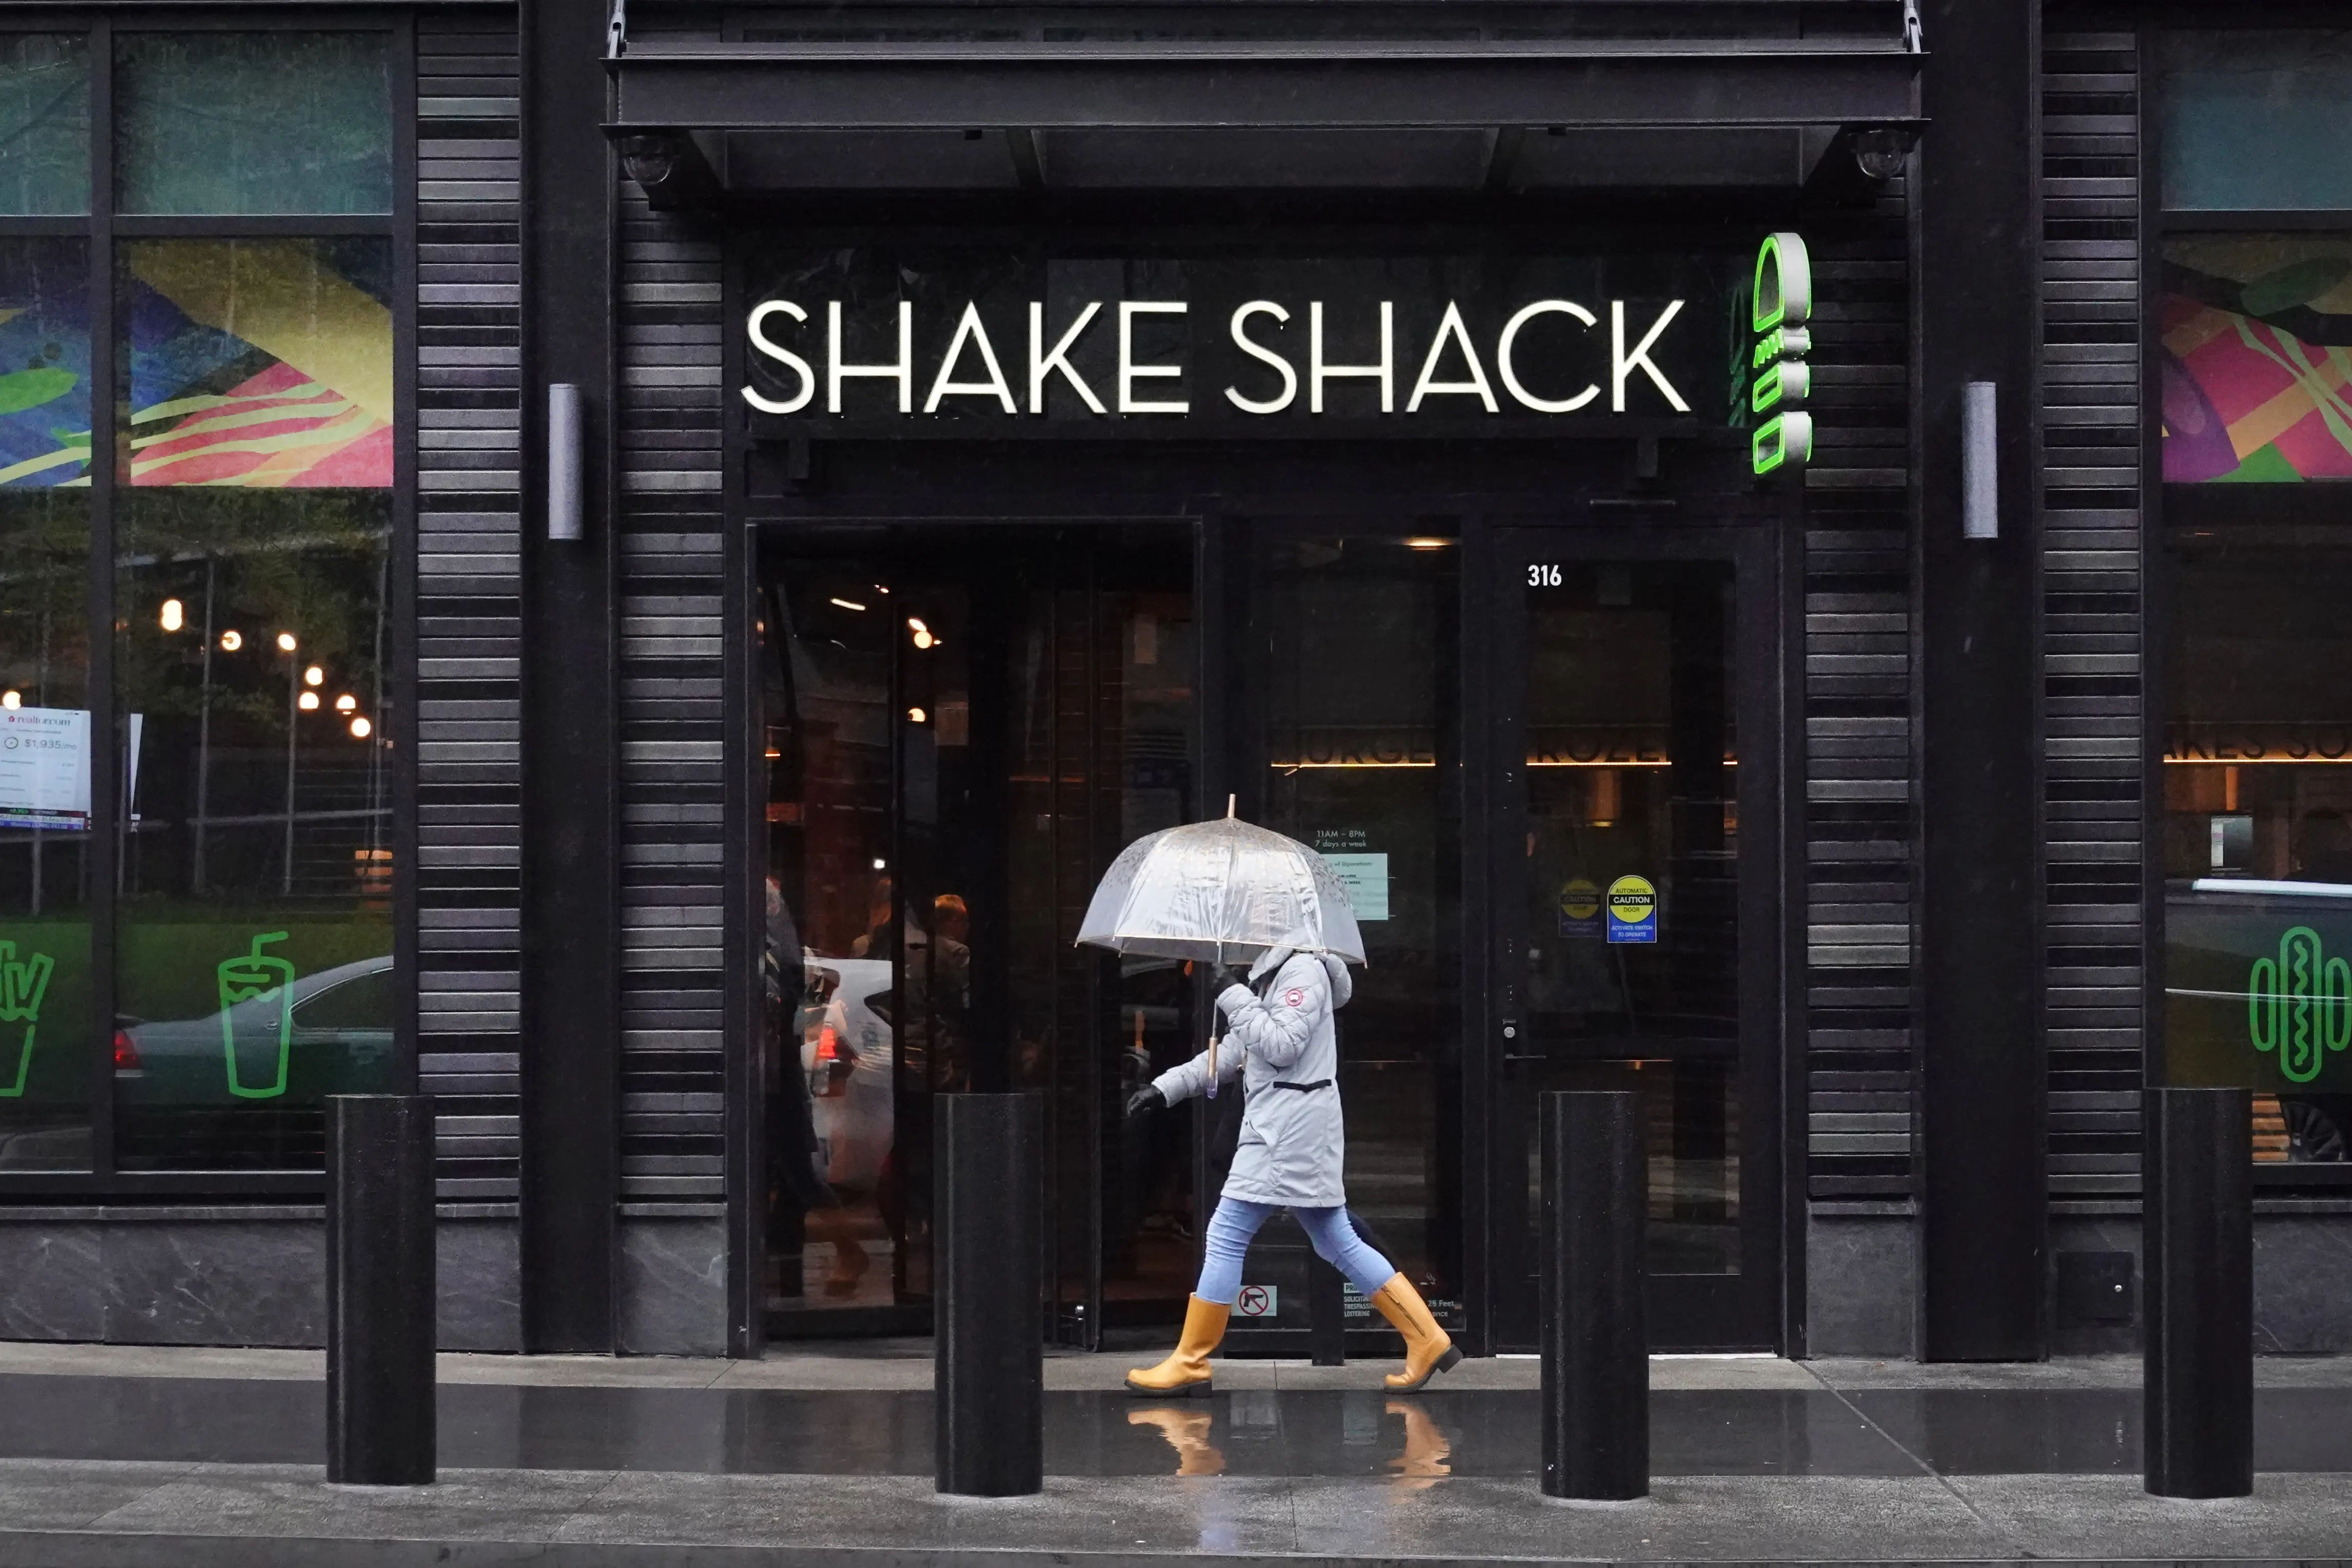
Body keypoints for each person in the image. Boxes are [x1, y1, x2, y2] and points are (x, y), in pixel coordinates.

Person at [1121, 942, 1459, 1396]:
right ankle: (1427, 1337)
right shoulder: (1276, 975)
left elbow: (1281, 1047)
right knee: (1335, 1239)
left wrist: (1230, 993)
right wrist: (1164, 1090)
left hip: (1284, 1133)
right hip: (1287, 1130)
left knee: (1227, 1234)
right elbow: (1232, 1054)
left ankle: (1190, 1360)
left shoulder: (1301, 971)